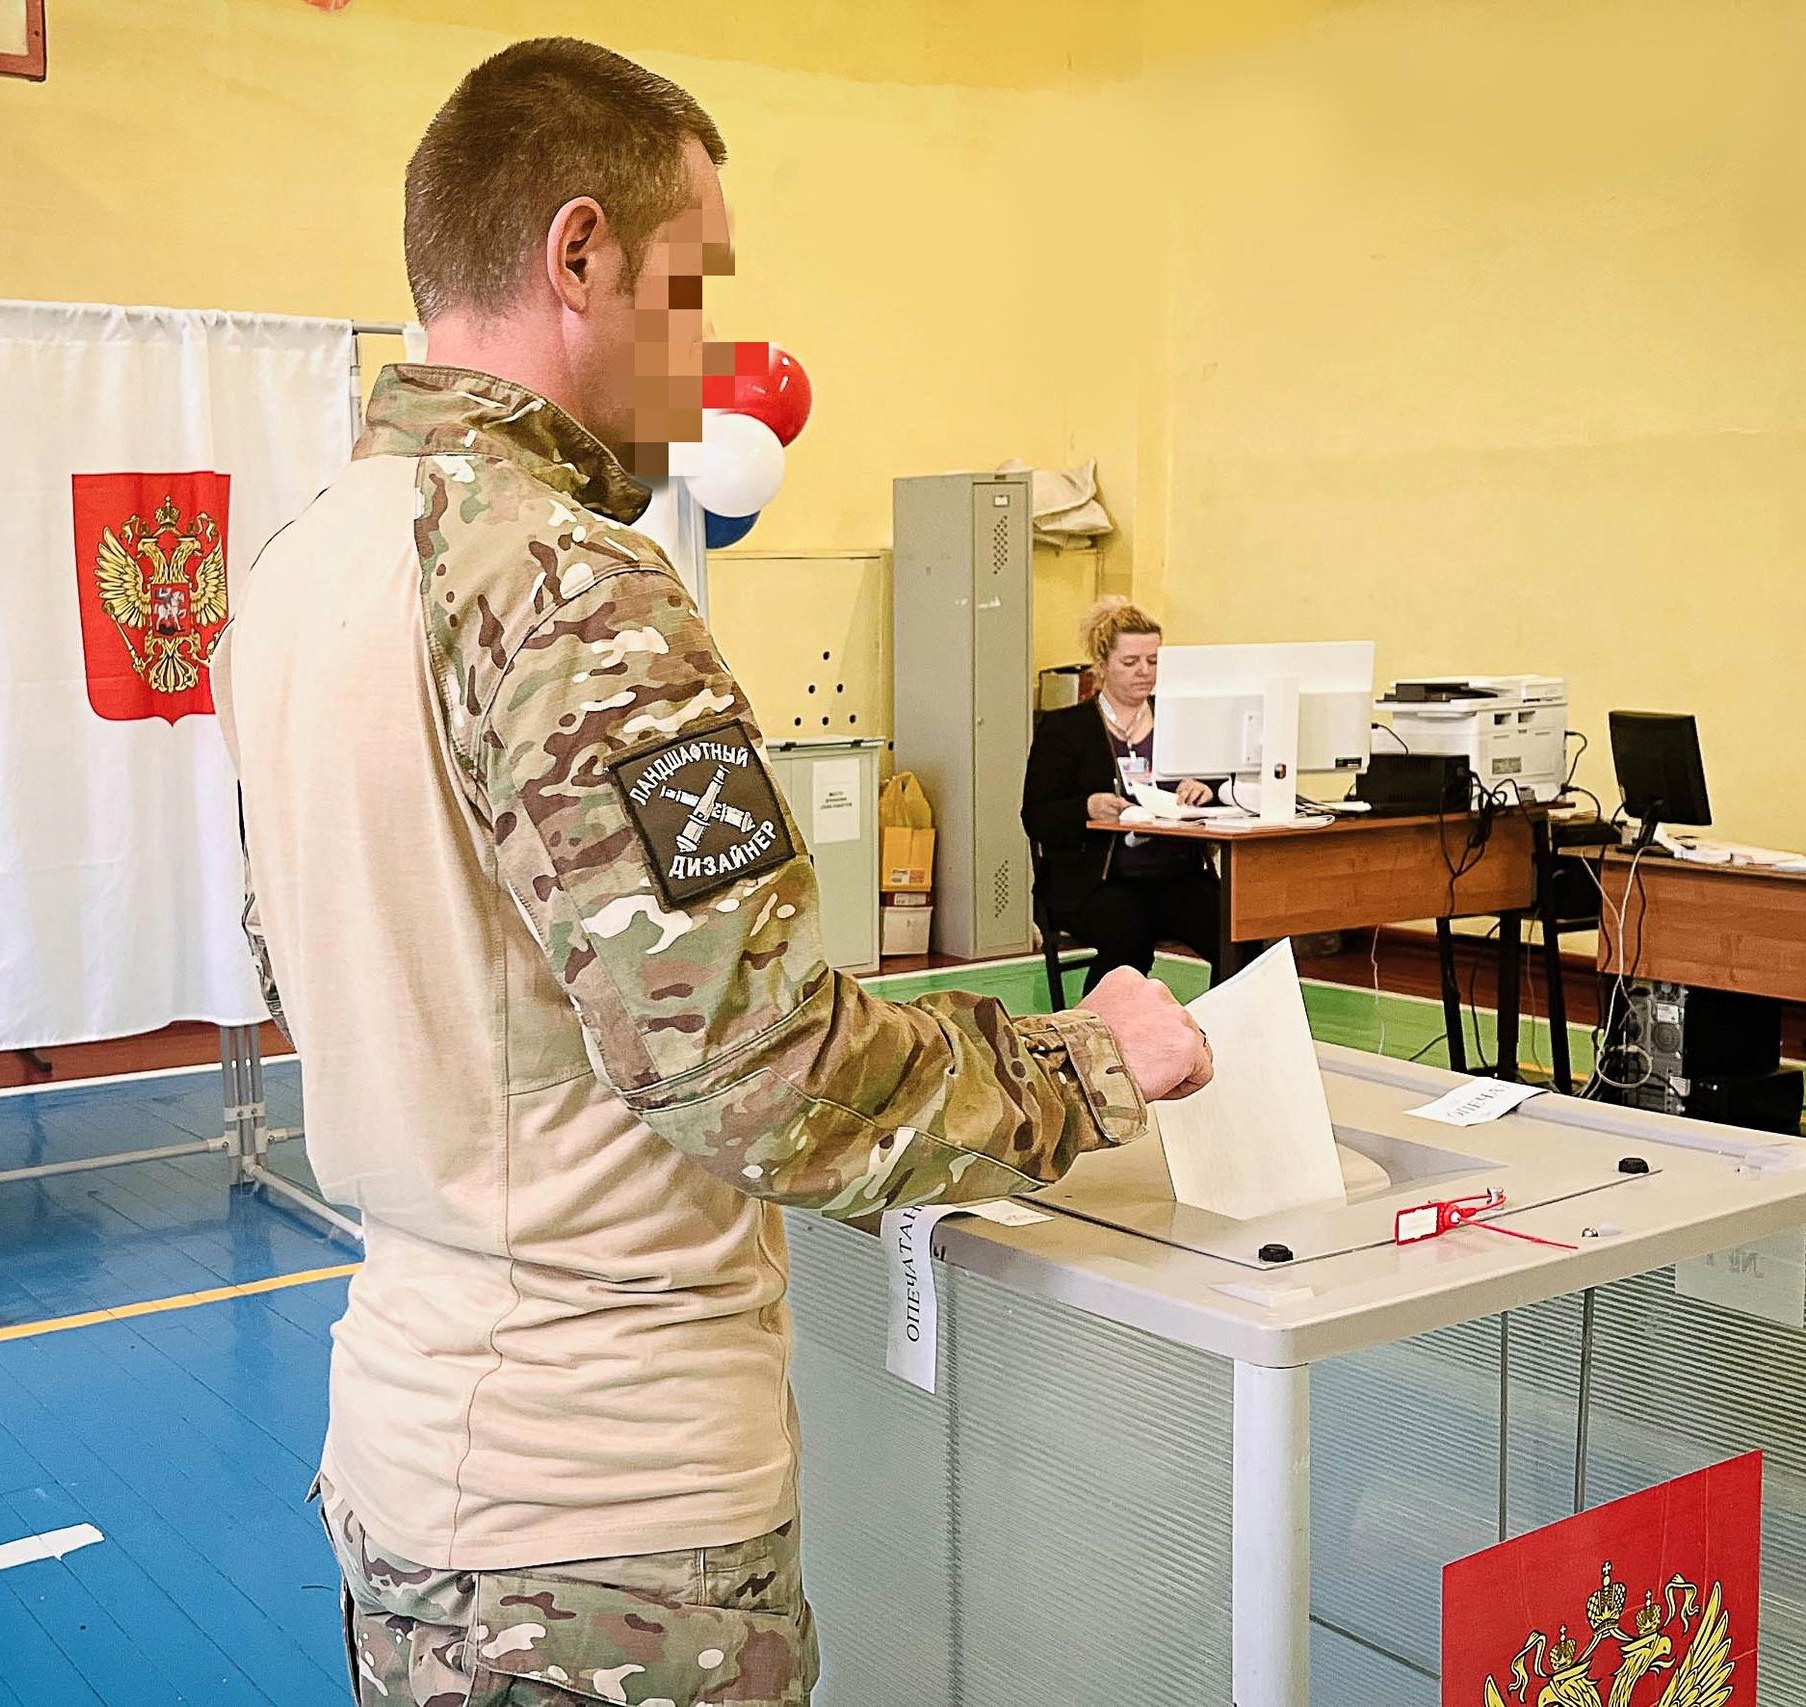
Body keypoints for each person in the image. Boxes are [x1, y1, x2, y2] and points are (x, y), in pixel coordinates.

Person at [215, 39, 1213, 1707]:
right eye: (693, 286)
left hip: (406, 1462)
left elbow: (307, 966)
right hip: (605, 1527)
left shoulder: (300, 565)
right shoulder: (567, 585)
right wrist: (1089, 1062)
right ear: (580, 254)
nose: (709, 346)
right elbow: (764, 1074)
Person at [1022, 596, 1240, 989]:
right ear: (1102, 664)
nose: (1144, 671)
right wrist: (1087, 807)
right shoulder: (1066, 729)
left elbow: (1227, 787)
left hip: (1177, 876)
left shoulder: (1179, 719)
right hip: (1097, 881)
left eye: (1153, 661)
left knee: (1240, 935)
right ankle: (1095, 1023)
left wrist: (1206, 788)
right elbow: (1037, 817)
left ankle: (1220, 1022)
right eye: (1130, 662)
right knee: (1128, 940)